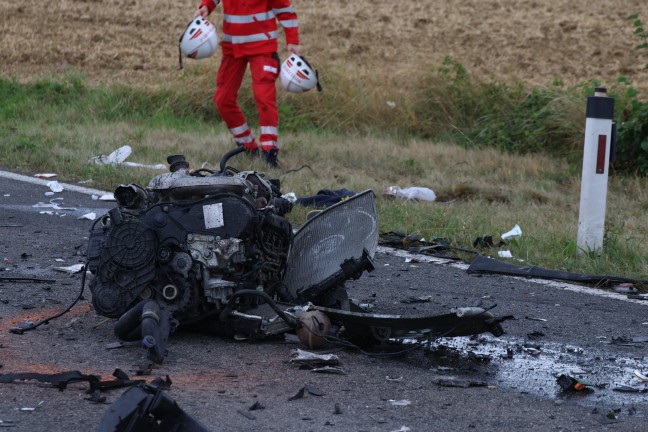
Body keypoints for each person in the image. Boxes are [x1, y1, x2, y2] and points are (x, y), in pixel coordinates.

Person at [194, 0, 301, 168]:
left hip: (263, 47)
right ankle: (247, 146)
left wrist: (292, 40)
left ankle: (269, 150)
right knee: (223, 99)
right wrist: (206, 6)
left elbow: (286, 10)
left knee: (264, 99)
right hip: (232, 48)